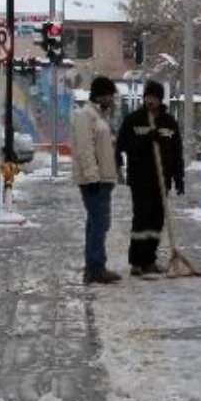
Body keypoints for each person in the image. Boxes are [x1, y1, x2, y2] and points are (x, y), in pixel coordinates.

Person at [116, 80, 184, 276]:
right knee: (141, 219)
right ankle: (137, 261)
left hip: (162, 179)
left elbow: (176, 151)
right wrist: (145, 140)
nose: (150, 101)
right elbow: (122, 145)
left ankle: (150, 260)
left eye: (154, 97)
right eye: (148, 97)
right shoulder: (134, 120)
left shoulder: (169, 122)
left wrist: (179, 177)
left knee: (156, 220)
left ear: (160, 99)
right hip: (140, 178)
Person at [73, 76, 122, 285]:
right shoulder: (85, 115)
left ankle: (93, 266)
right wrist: (92, 177)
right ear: (101, 95)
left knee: (95, 222)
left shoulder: (100, 116)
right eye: (111, 95)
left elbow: (104, 146)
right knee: (101, 222)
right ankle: (96, 267)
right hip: (95, 180)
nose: (113, 99)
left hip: (104, 179)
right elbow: (85, 149)